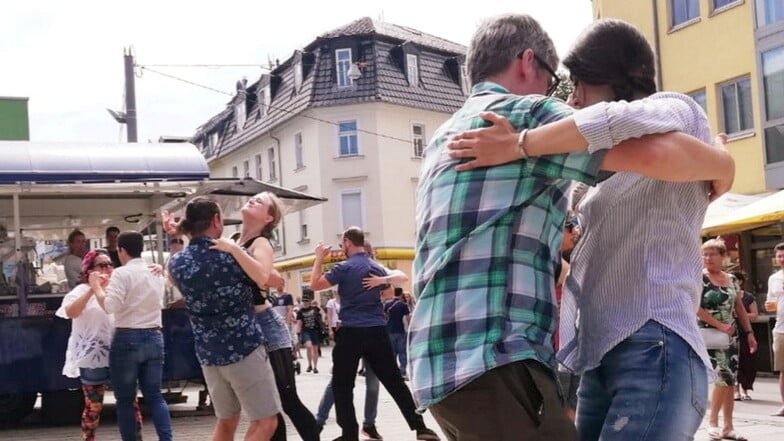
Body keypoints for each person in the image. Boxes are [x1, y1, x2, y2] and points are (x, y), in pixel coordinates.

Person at [413, 14, 734, 441]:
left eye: (578, 85)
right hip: (500, 357)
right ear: (529, 62)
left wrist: (521, 145)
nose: (570, 100)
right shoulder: (523, 114)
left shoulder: (444, 136)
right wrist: (723, 163)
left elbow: (654, 144)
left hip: (442, 366)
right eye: (556, 80)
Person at [167, 197, 281, 441]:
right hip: (243, 348)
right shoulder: (233, 257)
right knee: (265, 422)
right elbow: (266, 277)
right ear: (216, 220)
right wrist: (237, 249)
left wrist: (177, 237)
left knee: (227, 420)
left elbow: (179, 272)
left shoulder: (177, 263)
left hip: (208, 353)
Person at [310, 226, 440, 441]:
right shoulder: (375, 267)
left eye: (343, 244)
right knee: (394, 381)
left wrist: (318, 259)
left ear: (348, 242)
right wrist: (382, 281)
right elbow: (396, 284)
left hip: (351, 331)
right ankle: (421, 428)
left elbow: (315, 284)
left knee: (343, 384)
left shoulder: (343, 267)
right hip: (377, 331)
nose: (342, 248)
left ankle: (349, 434)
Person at [217, 191, 319, 441]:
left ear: (268, 218)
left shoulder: (260, 243)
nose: (252, 200)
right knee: (266, 406)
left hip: (266, 326)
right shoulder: (232, 240)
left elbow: (264, 275)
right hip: (244, 328)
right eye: (252, 198)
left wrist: (268, 274)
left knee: (286, 398)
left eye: (259, 201)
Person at [90, 232, 172, 441]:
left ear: (122, 250)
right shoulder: (155, 272)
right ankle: (166, 438)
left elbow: (109, 306)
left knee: (125, 399)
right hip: (154, 335)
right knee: (155, 396)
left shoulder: (121, 274)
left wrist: (97, 287)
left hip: (127, 337)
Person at [56, 249, 143, 441]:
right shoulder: (79, 291)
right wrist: (92, 289)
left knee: (130, 402)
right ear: (89, 270)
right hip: (92, 354)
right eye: (101, 265)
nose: (107, 269)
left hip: (120, 352)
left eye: (110, 264)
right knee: (93, 406)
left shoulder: (119, 288)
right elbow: (70, 312)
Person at [699, 239, 757, 441]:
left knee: (730, 381)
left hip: (731, 336)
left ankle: (728, 426)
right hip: (708, 334)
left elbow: (739, 307)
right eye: (705, 254)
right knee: (723, 377)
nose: (707, 258)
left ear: (723, 256)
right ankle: (713, 422)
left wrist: (749, 333)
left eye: (712, 254)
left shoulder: (731, 278)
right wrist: (720, 325)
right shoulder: (699, 278)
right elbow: (694, 308)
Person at [733, 271, 759, 401]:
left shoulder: (748, 297)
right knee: (734, 361)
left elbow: (755, 315)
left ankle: (746, 390)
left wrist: (740, 315)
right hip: (731, 332)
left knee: (747, 361)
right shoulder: (727, 296)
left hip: (745, 332)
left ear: (741, 281)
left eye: (735, 280)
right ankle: (736, 390)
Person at [765, 242, 784, 417]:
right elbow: (770, 303)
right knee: (783, 369)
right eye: (779, 256)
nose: (782, 259)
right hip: (781, 329)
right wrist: (769, 306)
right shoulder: (774, 278)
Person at [384, 287, 410, 379]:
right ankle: (402, 370)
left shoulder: (387, 304)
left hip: (389, 329)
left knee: (392, 352)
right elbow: (407, 317)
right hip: (400, 329)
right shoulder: (403, 305)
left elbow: (385, 316)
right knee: (402, 351)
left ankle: (392, 370)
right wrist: (410, 326)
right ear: (401, 293)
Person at [297, 293, 324, 373]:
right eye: (304, 301)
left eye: (306, 301)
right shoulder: (300, 311)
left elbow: (322, 314)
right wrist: (298, 332)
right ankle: (309, 364)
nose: (305, 303)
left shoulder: (315, 309)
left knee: (315, 349)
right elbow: (299, 322)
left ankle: (315, 367)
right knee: (309, 347)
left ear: (309, 302)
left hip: (315, 331)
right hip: (306, 331)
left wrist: (322, 324)